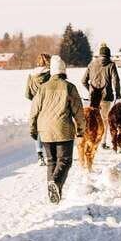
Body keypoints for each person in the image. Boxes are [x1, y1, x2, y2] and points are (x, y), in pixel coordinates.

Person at [29, 55, 85, 204]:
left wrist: (33, 129)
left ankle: (53, 193)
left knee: (51, 161)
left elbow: (34, 110)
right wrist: (81, 129)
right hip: (63, 130)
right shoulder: (69, 87)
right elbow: (78, 111)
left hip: (45, 131)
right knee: (65, 160)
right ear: (64, 71)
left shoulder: (43, 88)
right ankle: (55, 182)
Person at [81, 43, 121, 149]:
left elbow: (83, 81)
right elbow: (116, 80)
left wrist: (91, 91)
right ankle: (102, 142)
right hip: (106, 97)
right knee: (104, 119)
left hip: (94, 98)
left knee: (92, 119)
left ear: (99, 55)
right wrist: (118, 93)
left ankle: (91, 139)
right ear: (108, 55)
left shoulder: (92, 64)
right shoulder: (111, 65)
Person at [24, 53, 51, 166]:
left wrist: (35, 100)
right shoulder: (51, 74)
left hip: (36, 104)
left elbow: (27, 94)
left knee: (38, 129)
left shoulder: (31, 75)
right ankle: (51, 154)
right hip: (49, 104)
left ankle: (40, 155)